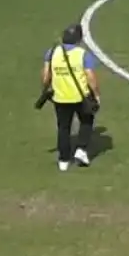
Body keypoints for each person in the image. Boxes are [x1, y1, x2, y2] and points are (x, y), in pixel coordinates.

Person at [37, 24, 98, 172]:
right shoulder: (83, 54)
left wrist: (46, 88)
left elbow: (46, 76)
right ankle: (81, 150)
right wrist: (96, 94)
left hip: (60, 97)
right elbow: (90, 76)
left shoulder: (51, 53)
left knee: (63, 128)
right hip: (81, 96)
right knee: (86, 121)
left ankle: (63, 160)